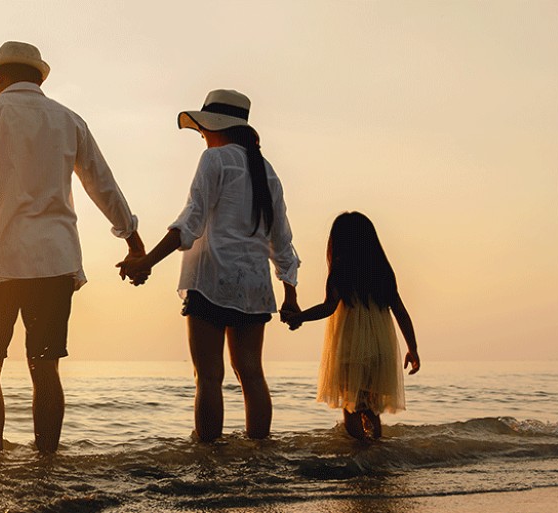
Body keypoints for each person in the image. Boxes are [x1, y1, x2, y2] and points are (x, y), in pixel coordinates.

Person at [0, 41, 145, 456]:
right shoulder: (68, 119)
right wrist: (132, 239)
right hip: (53, 261)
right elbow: (102, 182)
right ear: (38, 77)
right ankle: (46, 463)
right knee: (45, 368)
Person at [117, 89, 300, 443]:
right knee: (252, 374)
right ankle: (259, 455)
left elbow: (190, 222)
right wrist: (289, 293)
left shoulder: (215, 161)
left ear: (215, 128)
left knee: (209, 376)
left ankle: (209, 457)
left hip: (212, 280)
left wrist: (146, 261)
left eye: (202, 130)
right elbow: (282, 239)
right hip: (254, 286)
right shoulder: (268, 170)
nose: (201, 136)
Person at [282, 212, 421, 441]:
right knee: (370, 407)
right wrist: (412, 348)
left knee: (351, 406)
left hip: (352, 350)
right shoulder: (382, 272)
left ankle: (360, 453)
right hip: (380, 350)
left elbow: (328, 307)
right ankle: (375, 449)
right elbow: (401, 312)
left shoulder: (341, 271)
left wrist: (300, 317)